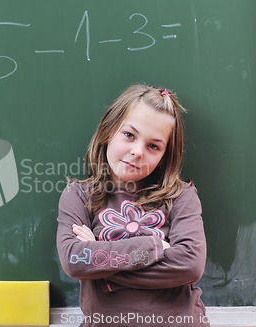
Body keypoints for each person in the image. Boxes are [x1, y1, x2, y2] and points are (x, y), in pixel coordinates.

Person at [56, 84, 209, 326]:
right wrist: (154, 247)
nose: (138, 151)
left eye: (153, 146)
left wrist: (103, 266)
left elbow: (190, 265)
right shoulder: (79, 196)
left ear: (163, 157)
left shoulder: (181, 195)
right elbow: (75, 260)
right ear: (109, 130)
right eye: (129, 135)